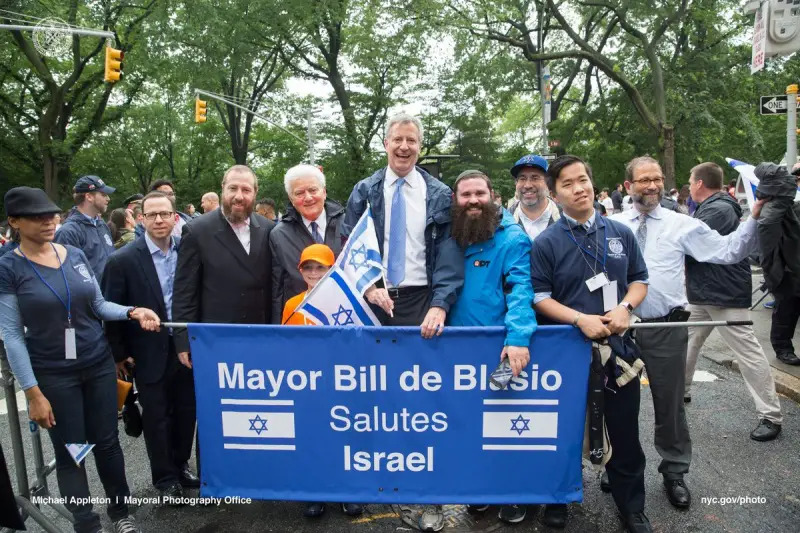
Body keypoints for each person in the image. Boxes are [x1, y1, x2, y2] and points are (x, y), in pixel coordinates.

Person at [608, 156, 765, 512]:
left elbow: (728, 251)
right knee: (618, 405)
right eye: (644, 179)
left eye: (658, 179)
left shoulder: (682, 224)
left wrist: (754, 218)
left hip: (668, 326)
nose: (652, 185)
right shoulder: (610, 225)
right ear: (628, 185)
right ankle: (617, 466)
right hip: (619, 331)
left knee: (670, 404)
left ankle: (675, 471)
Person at [0, 186, 160, 533]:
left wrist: (132, 311)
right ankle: (87, 523)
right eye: (37, 216)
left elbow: (98, 305)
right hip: (54, 373)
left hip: (97, 362)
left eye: (51, 213)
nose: (48, 220)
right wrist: (33, 392)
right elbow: (11, 334)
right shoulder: (9, 266)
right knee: (75, 449)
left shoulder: (72, 253)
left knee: (107, 442)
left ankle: (122, 513)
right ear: (14, 221)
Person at [529, 155, 650, 533]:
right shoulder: (546, 242)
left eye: (583, 179)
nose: (579, 188)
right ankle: (559, 499)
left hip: (617, 350)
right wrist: (579, 319)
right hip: (566, 352)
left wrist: (626, 308)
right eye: (568, 184)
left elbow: (639, 280)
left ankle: (632, 506)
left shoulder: (620, 233)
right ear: (554, 193)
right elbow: (539, 297)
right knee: (562, 430)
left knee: (624, 430)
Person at [446, 170, 536, 527]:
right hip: (454, 351)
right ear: (456, 199)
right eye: (465, 194)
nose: (472, 200)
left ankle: (513, 493)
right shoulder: (452, 233)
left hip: (497, 350)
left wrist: (517, 338)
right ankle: (479, 491)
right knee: (467, 426)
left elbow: (520, 290)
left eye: (479, 193)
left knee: (503, 425)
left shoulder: (512, 238)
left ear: (492, 195)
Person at [102, 191, 199, 501]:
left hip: (185, 346)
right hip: (147, 350)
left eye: (165, 214)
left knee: (187, 411)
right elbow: (112, 308)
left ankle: (182, 466)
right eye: (152, 214)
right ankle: (165, 478)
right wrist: (119, 353)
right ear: (141, 218)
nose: (159, 220)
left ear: (175, 217)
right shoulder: (122, 260)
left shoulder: (187, 250)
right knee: (157, 417)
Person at [341, 111, 463, 339]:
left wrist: (440, 305)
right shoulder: (364, 192)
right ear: (386, 144)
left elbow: (450, 256)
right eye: (398, 140)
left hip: (422, 303)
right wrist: (368, 289)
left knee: (418, 372)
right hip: (373, 299)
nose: (404, 147)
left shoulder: (440, 195)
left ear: (420, 146)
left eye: (411, 140)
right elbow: (348, 246)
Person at [683, 162, 782, 440]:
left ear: (700, 183)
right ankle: (682, 392)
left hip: (722, 293)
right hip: (705, 292)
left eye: (691, 180)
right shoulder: (716, 206)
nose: (690, 186)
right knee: (688, 340)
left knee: (748, 353)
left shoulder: (719, 209)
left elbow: (690, 243)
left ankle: (771, 415)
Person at [279, 244, 364, 517]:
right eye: (309, 267)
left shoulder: (348, 302)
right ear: (300, 271)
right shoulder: (293, 304)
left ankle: (347, 491)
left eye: (321, 267)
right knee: (311, 438)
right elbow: (286, 346)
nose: (314, 273)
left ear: (332, 269)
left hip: (341, 385)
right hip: (308, 388)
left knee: (344, 438)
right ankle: (314, 492)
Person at [173, 165, 275, 369]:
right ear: (223, 189)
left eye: (246, 190)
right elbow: (185, 291)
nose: (239, 196)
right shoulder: (197, 231)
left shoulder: (269, 229)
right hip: (217, 338)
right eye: (233, 188)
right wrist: (183, 338)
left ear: (255, 193)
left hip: (262, 336)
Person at [270, 165, 345, 321]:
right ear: (291, 199)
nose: (308, 198)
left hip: (344, 317)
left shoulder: (348, 225)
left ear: (324, 192)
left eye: (313, 190)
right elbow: (277, 289)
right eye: (299, 193)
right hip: (302, 321)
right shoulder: (279, 235)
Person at [754, 163, 800, 365]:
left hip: (789, 265)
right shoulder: (778, 205)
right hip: (787, 269)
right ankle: (783, 348)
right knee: (786, 311)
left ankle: (783, 347)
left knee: (787, 310)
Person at [55, 175, 115, 285]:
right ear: (89, 197)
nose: (108, 199)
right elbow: (69, 277)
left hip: (111, 295)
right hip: (91, 300)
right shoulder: (68, 232)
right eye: (103, 194)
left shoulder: (102, 225)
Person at [508, 154, 561, 241]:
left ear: (548, 182)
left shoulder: (566, 217)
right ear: (516, 183)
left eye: (535, 178)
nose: (527, 185)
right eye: (522, 178)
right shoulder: (504, 221)